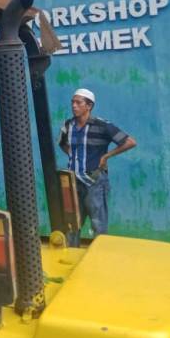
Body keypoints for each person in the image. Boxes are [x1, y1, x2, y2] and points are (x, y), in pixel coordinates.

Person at [58, 88, 137, 247]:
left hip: (94, 181)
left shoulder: (103, 125)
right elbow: (62, 143)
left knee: (98, 223)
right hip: (73, 181)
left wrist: (106, 156)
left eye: (78, 102)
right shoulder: (68, 125)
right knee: (71, 223)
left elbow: (130, 142)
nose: (74, 106)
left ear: (89, 106)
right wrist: (75, 156)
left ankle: (99, 254)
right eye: (72, 102)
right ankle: (72, 253)